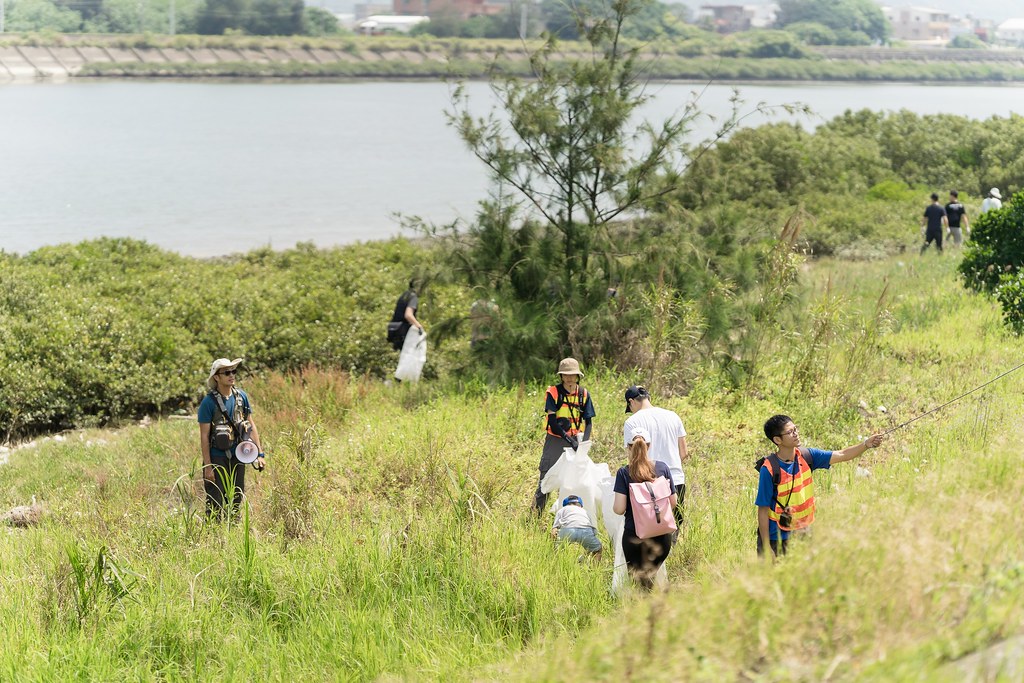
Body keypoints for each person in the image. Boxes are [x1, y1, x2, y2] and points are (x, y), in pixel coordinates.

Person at [756, 415, 883, 558]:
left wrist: (866, 444)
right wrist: (766, 547)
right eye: (790, 432)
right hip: (777, 538)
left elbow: (842, 455)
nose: (796, 433)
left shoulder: (807, 456)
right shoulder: (769, 469)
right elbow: (763, 510)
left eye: (795, 429)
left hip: (804, 533)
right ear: (777, 440)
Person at [198, 358, 266, 517]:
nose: (231, 375)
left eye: (233, 371)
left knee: (236, 497)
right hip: (217, 458)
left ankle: (232, 534)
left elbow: (251, 425)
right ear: (216, 377)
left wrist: (260, 454)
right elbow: (204, 436)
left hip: (240, 456)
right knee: (215, 501)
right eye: (226, 372)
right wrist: (208, 467)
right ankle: (213, 537)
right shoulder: (208, 402)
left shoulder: (241, 397)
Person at [613, 426, 677, 590]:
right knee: (652, 578)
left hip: (634, 536)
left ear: (628, 447)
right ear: (649, 445)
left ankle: (645, 612)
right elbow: (673, 502)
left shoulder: (624, 473)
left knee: (640, 585)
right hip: (662, 535)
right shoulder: (662, 468)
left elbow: (619, 509)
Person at [623, 385, 688, 540]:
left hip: (647, 484)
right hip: (676, 480)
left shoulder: (632, 422)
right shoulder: (673, 416)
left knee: (650, 534)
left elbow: (632, 458)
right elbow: (684, 453)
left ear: (631, 401)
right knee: (672, 530)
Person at [535, 357, 595, 514]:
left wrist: (583, 445)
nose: (569, 378)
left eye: (572, 375)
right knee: (546, 477)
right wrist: (569, 440)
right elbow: (553, 422)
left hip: (576, 441)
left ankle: (570, 516)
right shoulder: (553, 393)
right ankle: (535, 516)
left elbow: (588, 422)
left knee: (573, 481)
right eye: (566, 375)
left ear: (578, 376)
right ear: (561, 376)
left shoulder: (583, 394)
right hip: (555, 440)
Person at [551, 494, 602, 560]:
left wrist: (554, 544)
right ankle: (593, 569)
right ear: (580, 505)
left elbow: (554, 531)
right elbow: (593, 531)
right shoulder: (585, 511)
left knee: (558, 550)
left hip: (568, 530)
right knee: (597, 549)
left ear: (565, 504)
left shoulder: (562, 510)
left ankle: (557, 563)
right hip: (585, 530)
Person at [387, 279, 425, 352]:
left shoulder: (404, 295)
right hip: (403, 332)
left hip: (394, 330)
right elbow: (408, 315)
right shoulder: (413, 297)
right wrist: (419, 327)